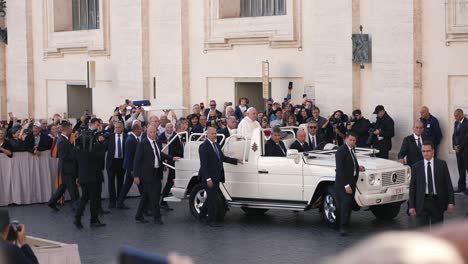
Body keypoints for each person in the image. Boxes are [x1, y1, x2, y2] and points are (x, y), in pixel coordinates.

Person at [133, 125, 176, 225]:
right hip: (147, 174)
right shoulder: (142, 144)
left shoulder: (157, 142)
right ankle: (157, 217)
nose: (153, 134)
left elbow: (160, 154)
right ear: (147, 133)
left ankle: (138, 215)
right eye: (151, 132)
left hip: (157, 172)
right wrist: (136, 175)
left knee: (146, 196)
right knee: (154, 196)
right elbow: (137, 160)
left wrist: (171, 158)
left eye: (154, 132)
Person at [198, 127, 241, 227]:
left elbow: (222, 158)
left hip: (217, 176)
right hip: (209, 178)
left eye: (215, 133)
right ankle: (211, 220)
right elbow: (204, 165)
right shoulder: (203, 147)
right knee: (213, 199)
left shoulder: (216, 145)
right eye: (212, 134)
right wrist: (208, 179)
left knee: (210, 198)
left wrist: (235, 161)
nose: (214, 135)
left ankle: (201, 215)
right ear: (207, 134)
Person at [409, 141, 455, 226]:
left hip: (437, 202)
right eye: (423, 151)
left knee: (437, 231)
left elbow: (448, 184)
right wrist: (411, 206)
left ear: (433, 151)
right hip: (422, 203)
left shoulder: (442, 165)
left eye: (428, 151)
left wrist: (451, 202)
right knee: (423, 233)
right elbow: (412, 188)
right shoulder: (416, 167)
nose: (426, 153)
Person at [74, 118, 108, 229]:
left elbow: (77, 161)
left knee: (84, 198)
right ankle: (93, 220)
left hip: (83, 175)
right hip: (94, 176)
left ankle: (78, 218)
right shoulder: (95, 146)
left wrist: (77, 176)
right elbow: (101, 155)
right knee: (94, 199)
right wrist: (101, 143)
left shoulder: (79, 146)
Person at [335, 132, 365, 236]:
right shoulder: (341, 151)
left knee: (348, 204)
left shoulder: (352, 149)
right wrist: (346, 185)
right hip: (343, 184)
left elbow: (351, 162)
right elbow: (340, 170)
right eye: (350, 140)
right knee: (345, 204)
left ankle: (346, 223)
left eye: (354, 140)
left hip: (352, 181)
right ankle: (343, 226)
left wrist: (357, 167)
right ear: (346, 139)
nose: (352, 142)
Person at [47, 121, 79, 212]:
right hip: (67, 168)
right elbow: (63, 156)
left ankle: (52, 202)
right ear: (67, 129)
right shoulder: (62, 140)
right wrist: (74, 154)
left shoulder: (63, 139)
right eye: (70, 128)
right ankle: (75, 205)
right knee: (72, 188)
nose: (71, 130)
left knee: (63, 187)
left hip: (66, 168)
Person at [161, 120, 187, 211]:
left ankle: (163, 202)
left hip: (178, 163)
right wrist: (181, 155)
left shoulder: (181, 137)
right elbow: (172, 151)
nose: (185, 130)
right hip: (174, 163)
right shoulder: (174, 137)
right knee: (169, 182)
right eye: (184, 128)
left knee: (170, 182)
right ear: (179, 128)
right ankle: (163, 202)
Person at [117, 123, 143, 209]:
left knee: (127, 185)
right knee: (141, 186)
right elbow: (130, 156)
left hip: (131, 167)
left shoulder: (132, 139)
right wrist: (133, 170)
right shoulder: (131, 140)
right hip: (132, 168)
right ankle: (146, 205)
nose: (141, 131)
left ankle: (120, 202)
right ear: (136, 130)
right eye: (140, 129)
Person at [105, 121, 127, 209]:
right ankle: (112, 201)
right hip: (111, 162)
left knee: (120, 182)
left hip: (122, 162)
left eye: (119, 127)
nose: (117, 129)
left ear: (122, 128)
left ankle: (120, 201)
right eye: (116, 127)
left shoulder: (126, 137)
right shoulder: (110, 137)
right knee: (111, 182)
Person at [452, 108, 468, 194]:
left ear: (461, 114)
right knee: (461, 169)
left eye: (457, 116)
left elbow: (466, 138)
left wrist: (460, 147)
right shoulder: (456, 123)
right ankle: (461, 187)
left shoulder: (467, 123)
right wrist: (454, 146)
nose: (455, 117)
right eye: (455, 116)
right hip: (458, 151)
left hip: (466, 151)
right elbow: (454, 135)